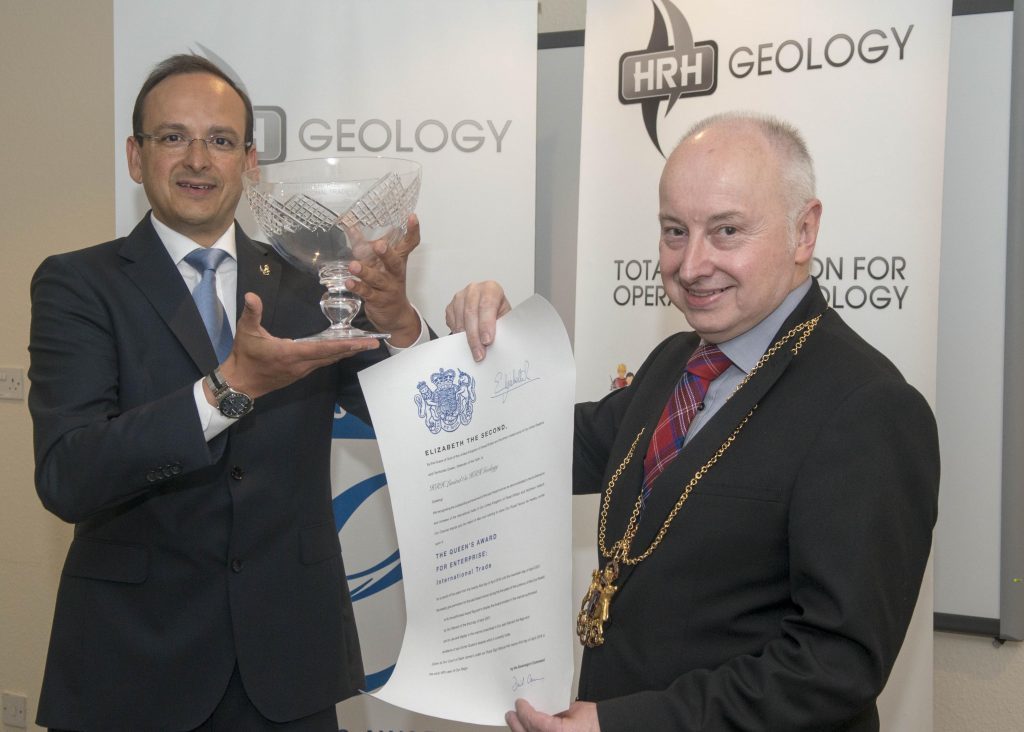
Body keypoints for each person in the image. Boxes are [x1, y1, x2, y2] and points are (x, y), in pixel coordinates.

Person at [447, 112, 939, 731]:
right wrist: (462, 347)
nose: (692, 264)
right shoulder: (676, 364)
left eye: (727, 230)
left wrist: (619, 727)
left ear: (804, 231)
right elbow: (524, 445)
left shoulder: (868, 408)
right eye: (675, 231)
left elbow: (835, 664)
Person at [29, 54, 428, 730]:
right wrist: (226, 390)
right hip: (133, 663)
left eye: (220, 141)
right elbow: (69, 476)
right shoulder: (78, 284)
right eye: (172, 136)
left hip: (288, 666)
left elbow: (414, 422)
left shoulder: (311, 279)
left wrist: (399, 321)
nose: (197, 159)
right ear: (135, 156)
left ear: (249, 163)